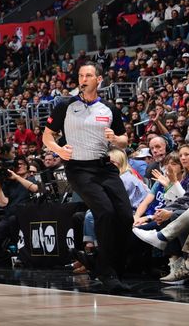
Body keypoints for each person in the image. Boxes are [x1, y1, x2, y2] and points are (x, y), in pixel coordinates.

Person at [42, 62, 133, 294]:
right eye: (81, 75)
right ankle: (107, 271)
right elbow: (47, 136)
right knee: (105, 211)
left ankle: (103, 264)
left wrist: (116, 139)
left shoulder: (109, 108)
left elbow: (124, 140)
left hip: (104, 166)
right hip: (79, 168)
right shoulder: (65, 105)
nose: (83, 79)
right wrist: (58, 151)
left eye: (89, 75)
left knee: (125, 216)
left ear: (99, 80)